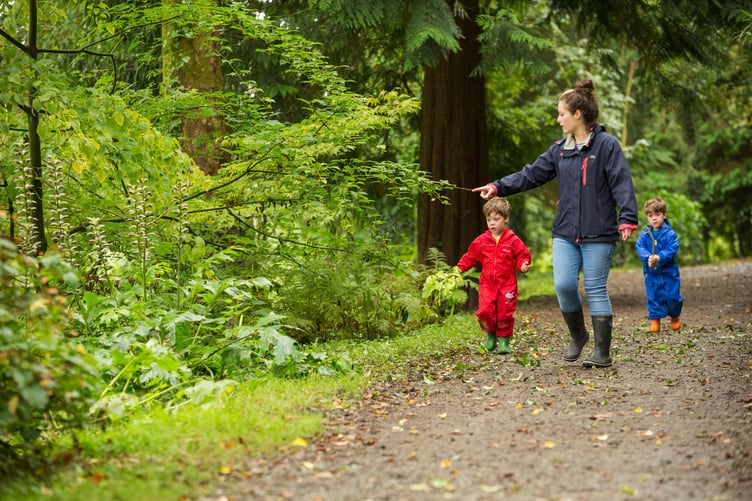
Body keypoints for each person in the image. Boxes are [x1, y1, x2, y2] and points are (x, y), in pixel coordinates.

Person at [472, 78, 638, 368]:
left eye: (562, 113)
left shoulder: (607, 146)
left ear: (578, 115)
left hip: (599, 231)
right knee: (563, 285)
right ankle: (578, 335)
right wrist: (498, 187)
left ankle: (602, 352)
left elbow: (622, 182)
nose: (558, 118)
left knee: (596, 287)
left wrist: (627, 218)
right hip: (565, 231)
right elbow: (531, 174)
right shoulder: (560, 150)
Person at [457, 197, 531, 354]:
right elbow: (470, 257)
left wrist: (523, 265)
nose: (492, 223)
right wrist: (457, 270)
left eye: (496, 219)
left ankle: (504, 341)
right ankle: (490, 336)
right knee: (486, 310)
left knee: (505, 312)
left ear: (506, 219)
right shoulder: (481, 241)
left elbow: (522, 256)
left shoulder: (513, 240)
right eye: (488, 219)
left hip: (507, 284)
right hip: (487, 283)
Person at [635, 197, 683, 332]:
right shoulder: (645, 234)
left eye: (657, 215)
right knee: (653, 295)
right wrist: (648, 258)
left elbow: (673, 248)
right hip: (651, 272)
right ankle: (655, 322)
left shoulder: (670, 234)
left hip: (669, 271)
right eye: (650, 216)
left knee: (672, 295)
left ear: (664, 215)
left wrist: (660, 257)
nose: (654, 218)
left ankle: (675, 317)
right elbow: (640, 247)